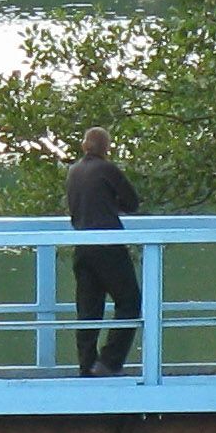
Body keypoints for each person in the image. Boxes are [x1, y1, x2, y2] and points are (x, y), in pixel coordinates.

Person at [62, 129, 143, 377]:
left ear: (84, 145)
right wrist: (112, 204)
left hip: (83, 248)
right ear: (106, 148)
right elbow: (132, 202)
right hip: (108, 245)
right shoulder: (107, 170)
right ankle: (108, 362)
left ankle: (86, 367)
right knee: (130, 302)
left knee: (88, 310)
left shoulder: (73, 171)